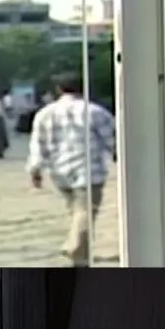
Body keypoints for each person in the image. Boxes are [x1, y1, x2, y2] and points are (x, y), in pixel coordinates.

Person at [27, 73, 116, 265]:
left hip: (60, 171)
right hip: (89, 169)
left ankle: (82, 250)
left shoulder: (45, 114)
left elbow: (38, 144)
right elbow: (111, 138)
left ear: (58, 90)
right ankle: (76, 248)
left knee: (75, 210)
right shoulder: (94, 112)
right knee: (86, 211)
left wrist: (35, 169)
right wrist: (118, 155)